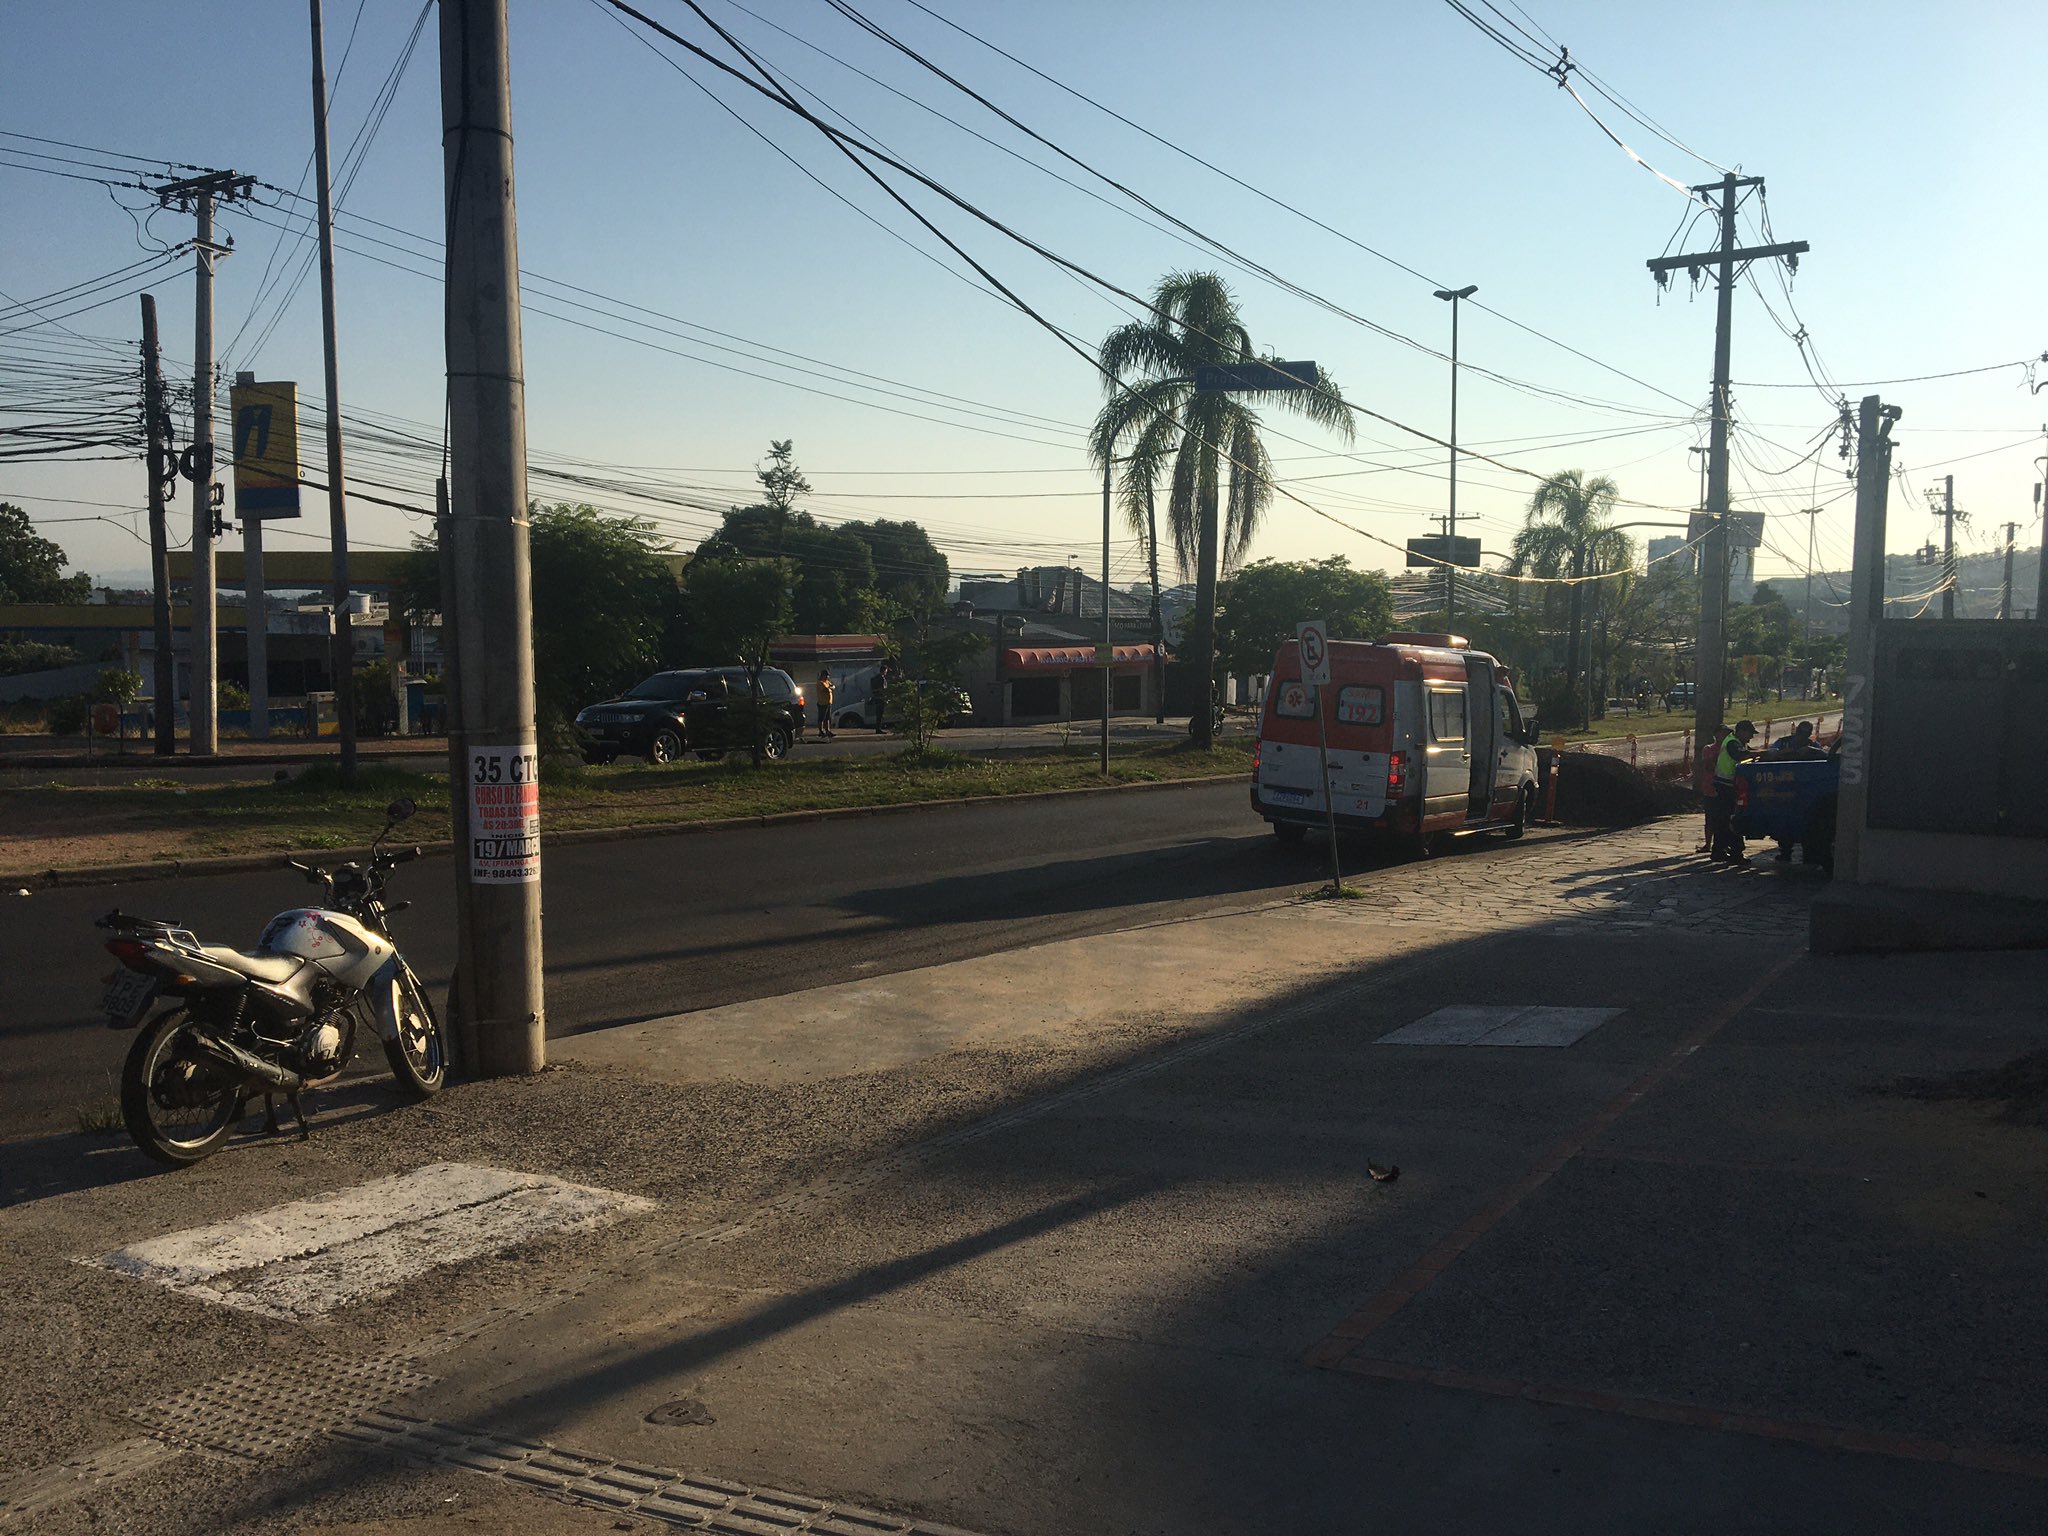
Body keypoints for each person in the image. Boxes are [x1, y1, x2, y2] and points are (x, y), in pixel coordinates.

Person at [1709, 720, 1757, 863]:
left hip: (1725, 785)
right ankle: (1735, 853)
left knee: (1723, 821)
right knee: (1733, 820)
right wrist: (1763, 754)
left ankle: (1719, 851)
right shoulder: (1732, 743)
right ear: (1742, 731)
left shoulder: (1736, 742)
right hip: (1726, 786)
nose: (1751, 738)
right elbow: (1742, 756)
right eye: (1750, 734)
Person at [814, 668, 836, 739]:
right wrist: (830, 688)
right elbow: (825, 690)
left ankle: (827, 730)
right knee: (821, 718)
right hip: (822, 703)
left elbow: (833, 686)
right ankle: (820, 731)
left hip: (828, 702)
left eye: (827, 676)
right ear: (822, 675)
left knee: (827, 718)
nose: (827, 677)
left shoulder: (827, 682)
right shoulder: (820, 682)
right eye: (825, 675)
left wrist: (830, 687)